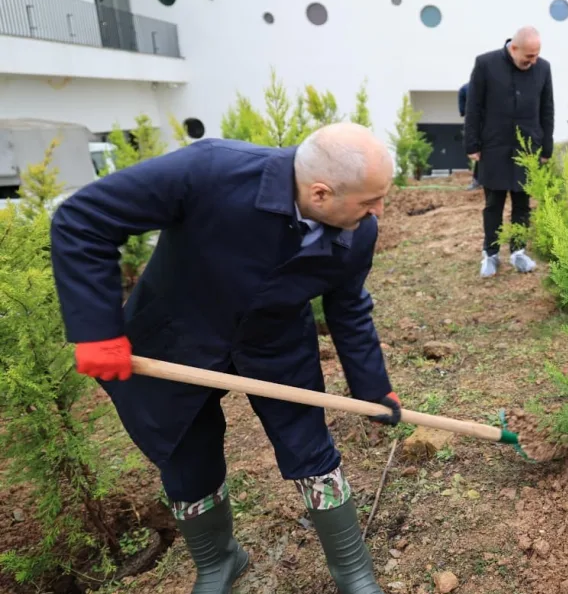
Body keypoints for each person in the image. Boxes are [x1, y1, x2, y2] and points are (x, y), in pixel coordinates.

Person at [49, 122, 401, 594]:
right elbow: (84, 219)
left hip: (275, 342)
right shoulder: (210, 170)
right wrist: (96, 330)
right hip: (176, 337)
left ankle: (353, 572)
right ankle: (219, 561)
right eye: (369, 201)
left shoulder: (360, 231)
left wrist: (373, 387)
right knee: (185, 454)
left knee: (310, 450)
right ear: (320, 193)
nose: (379, 211)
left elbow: (348, 304)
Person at [465, 26, 554, 278]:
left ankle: (518, 252)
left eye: (536, 55)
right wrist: (472, 144)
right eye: (529, 56)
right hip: (494, 146)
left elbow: (547, 109)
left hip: (528, 146)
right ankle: (490, 254)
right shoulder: (485, 64)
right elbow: (474, 107)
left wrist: (546, 147)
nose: (533, 61)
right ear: (513, 48)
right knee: (493, 203)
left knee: (522, 204)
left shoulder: (543, 69)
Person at [458, 82, 479, 191]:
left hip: (473, 124)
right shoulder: (493, 85)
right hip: (492, 124)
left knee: (479, 155)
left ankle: (477, 181)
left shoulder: (464, 88)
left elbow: (462, 111)